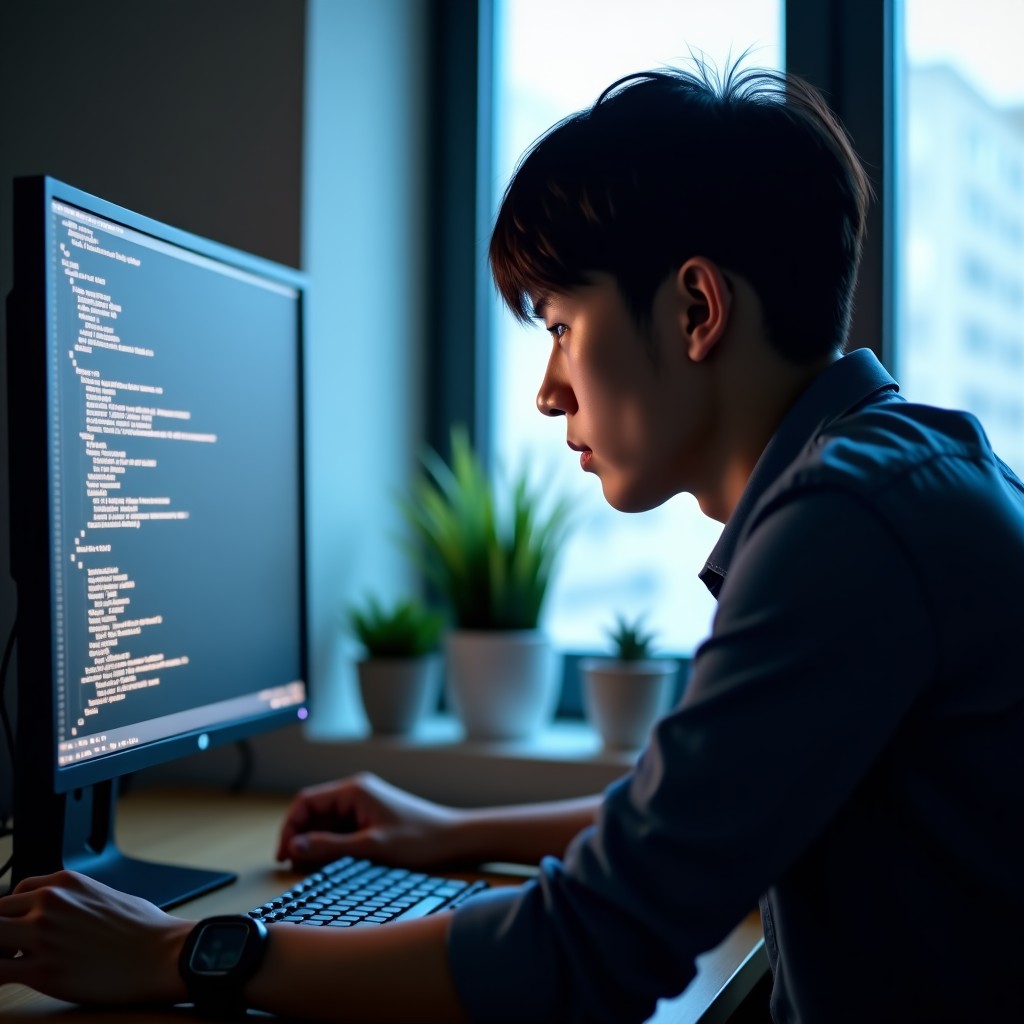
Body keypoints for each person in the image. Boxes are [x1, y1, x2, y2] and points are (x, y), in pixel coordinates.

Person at [2, 58, 1024, 1024]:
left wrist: (183, 956)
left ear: (696, 309)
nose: (546, 392)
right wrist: (452, 831)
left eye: (561, 326)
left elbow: (579, 954)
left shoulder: (846, 528)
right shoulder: (898, 475)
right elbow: (694, 816)